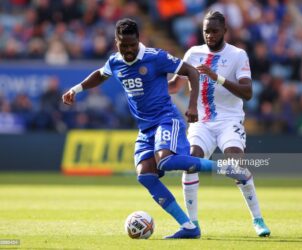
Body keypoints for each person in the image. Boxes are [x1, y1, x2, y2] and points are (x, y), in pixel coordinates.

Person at [62, 18, 251, 239]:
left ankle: (224, 168)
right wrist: (76, 89)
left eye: (133, 45)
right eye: (124, 46)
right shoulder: (115, 62)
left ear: (139, 40)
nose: (129, 50)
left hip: (166, 119)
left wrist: (191, 105)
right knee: (145, 176)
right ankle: (189, 228)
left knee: (166, 160)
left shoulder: (156, 57)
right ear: (117, 42)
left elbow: (191, 71)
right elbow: (100, 74)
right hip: (145, 128)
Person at [169, 11, 271, 237]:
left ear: (225, 31)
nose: (209, 35)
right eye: (206, 31)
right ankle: (192, 225)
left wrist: (217, 77)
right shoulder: (193, 53)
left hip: (229, 120)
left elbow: (248, 92)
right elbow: (175, 86)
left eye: (214, 31)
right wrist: (150, 87)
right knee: (190, 162)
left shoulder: (237, 55)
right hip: (202, 122)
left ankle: (258, 219)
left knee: (235, 166)